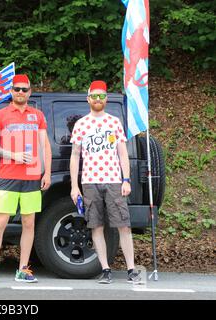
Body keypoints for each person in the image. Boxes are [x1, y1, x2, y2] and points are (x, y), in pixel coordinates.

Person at [69, 80, 142, 284]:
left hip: (113, 181)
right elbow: (75, 156)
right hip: (90, 182)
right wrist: (75, 186)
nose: (98, 99)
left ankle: (131, 270)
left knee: (123, 225)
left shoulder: (114, 122)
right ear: (88, 99)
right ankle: (106, 269)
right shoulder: (81, 124)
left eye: (101, 96)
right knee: (96, 226)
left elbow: (122, 153)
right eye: (94, 96)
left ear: (106, 99)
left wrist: (125, 180)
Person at [0, 74, 52, 283]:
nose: (20, 92)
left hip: (32, 176)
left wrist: (47, 172)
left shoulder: (37, 115)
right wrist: (14, 156)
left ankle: (23, 269)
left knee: (29, 223)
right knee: (0, 221)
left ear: (30, 92)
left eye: (24, 89)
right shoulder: (0, 115)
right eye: (17, 89)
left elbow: (45, 146)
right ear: (11, 91)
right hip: (8, 175)